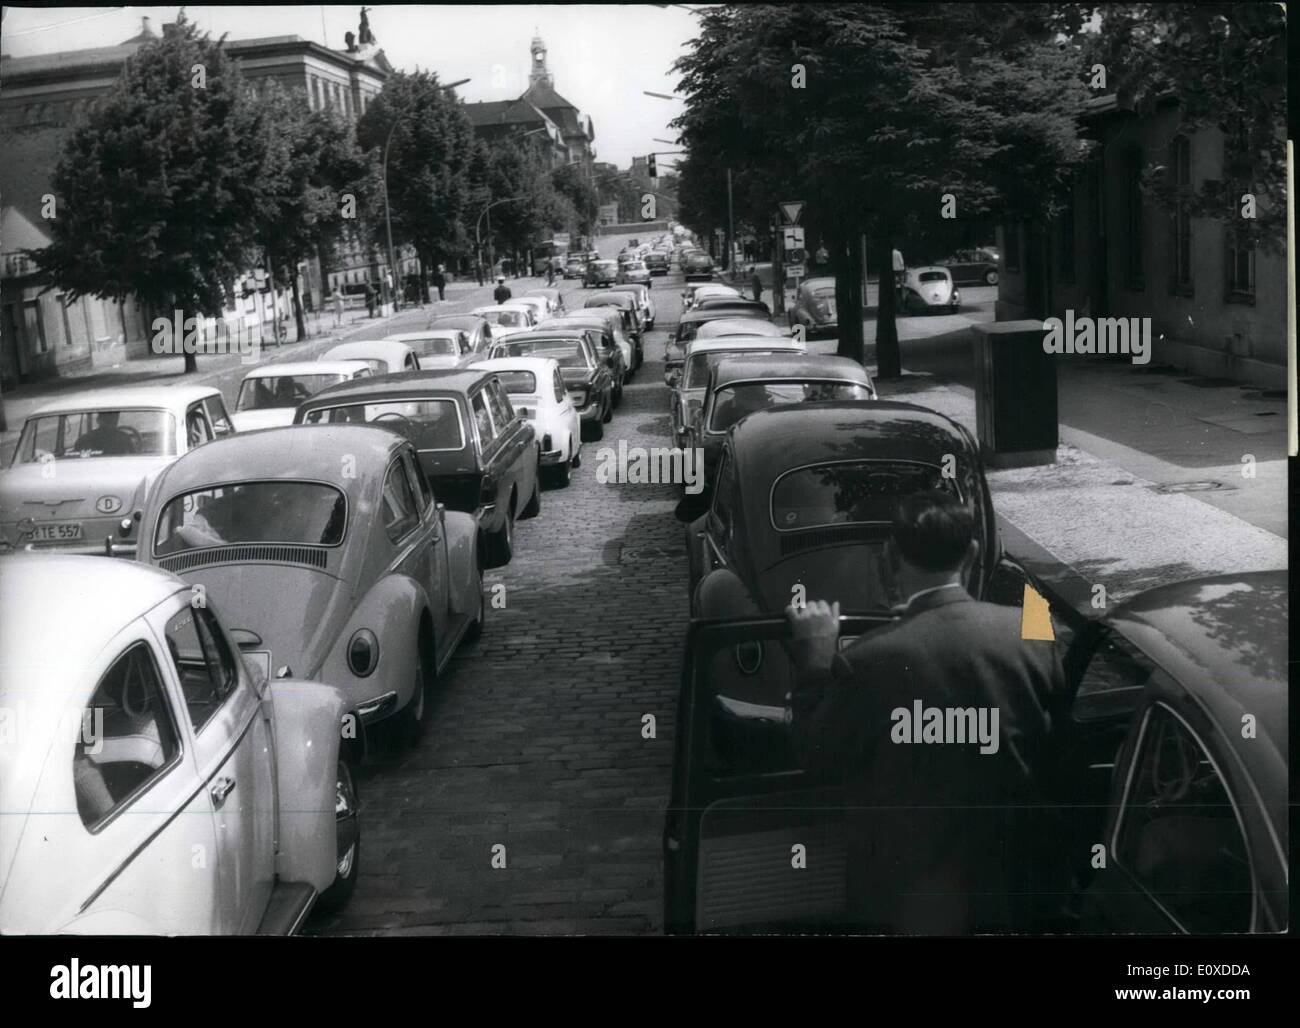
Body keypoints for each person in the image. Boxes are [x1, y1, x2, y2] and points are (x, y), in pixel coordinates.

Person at [784, 490, 1071, 935]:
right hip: (1011, 887)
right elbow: (1052, 745)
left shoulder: (867, 661)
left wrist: (814, 664)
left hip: (908, 899)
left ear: (889, 558)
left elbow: (816, 756)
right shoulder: (1034, 635)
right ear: (972, 553)